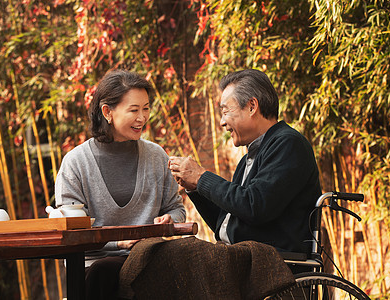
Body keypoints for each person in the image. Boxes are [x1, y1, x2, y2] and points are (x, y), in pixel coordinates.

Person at [55, 69, 186, 299]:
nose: (142, 118)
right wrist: (118, 243)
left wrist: (169, 220)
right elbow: (71, 234)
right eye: (134, 110)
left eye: (146, 109)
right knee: (107, 271)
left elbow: (177, 209)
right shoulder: (76, 163)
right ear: (107, 112)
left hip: (147, 259)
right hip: (95, 267)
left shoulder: (156, 156)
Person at [168, 69, 321, 259]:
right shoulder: (248, 158)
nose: (222, 122)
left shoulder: (288, 144)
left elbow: (255, 206)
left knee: (179, 256)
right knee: (170, 252)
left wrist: (201, 177)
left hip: (272, 261)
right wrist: (195, 189)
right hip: (239, 255)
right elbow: (224, 222)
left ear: (251, 106)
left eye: (225, 111)